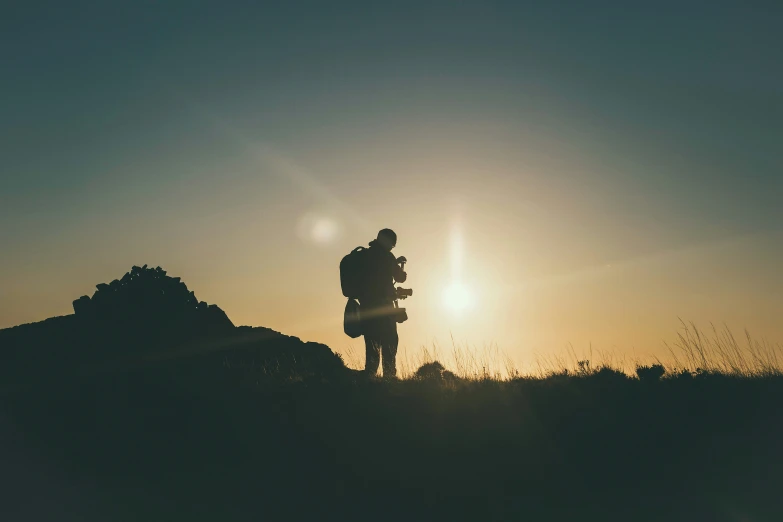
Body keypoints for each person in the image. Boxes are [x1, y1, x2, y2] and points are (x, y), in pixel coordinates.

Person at [358, 228, 407, 377]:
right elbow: (400, 278)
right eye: (392, 244)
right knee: (389, 343)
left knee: (372, 345)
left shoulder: (364, 255)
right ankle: (389, 379)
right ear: (388, 241)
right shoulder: (387, 257)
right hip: (384, 308)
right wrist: (401, 268)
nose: (392, 247)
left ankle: (369, 378)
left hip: (366, 308)